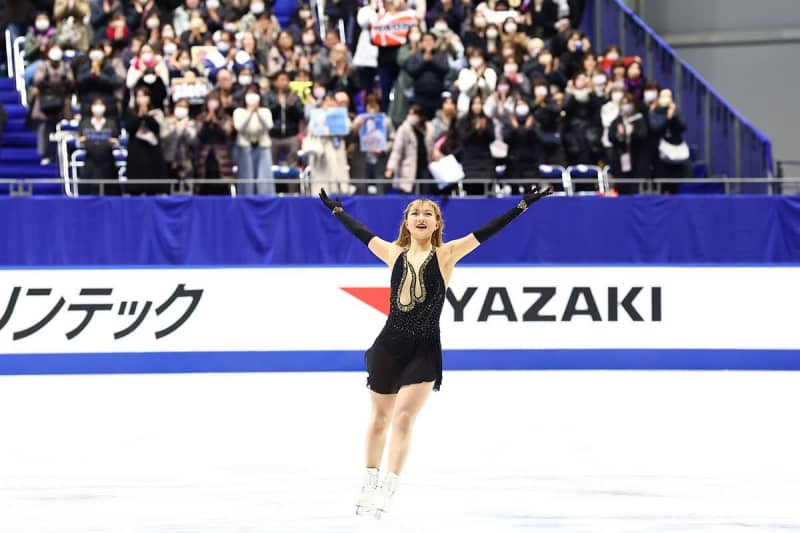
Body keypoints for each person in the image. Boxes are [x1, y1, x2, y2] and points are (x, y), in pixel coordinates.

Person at [316, 184, 552, 518]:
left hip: (424, 350)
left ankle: (388, 488)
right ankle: (369, 482)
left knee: (404, 417)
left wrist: (523, 205)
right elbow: (361, 233)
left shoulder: (447, 254)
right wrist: (338, 211)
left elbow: (486, 231)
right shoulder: (392, 253)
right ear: (406, 222)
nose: (422, 217)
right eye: (415, 213)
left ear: (438, 223)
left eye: (429, 213)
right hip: (389, 345)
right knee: (380, 418)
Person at [31, 43, 74, 166]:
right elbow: (37, 80)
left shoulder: (66, 66)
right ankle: (44, 154)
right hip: (45, 102)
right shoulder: (43, 65)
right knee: (44, 129)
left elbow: (71, 82)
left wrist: (62, 80)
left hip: (62, 104)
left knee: (62, 129)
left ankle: (64, 155)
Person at [125, 85, 168, 194]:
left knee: (152, 184)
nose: (142, 99)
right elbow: (130, 128)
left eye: (144, 96)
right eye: (139, 96)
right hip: (136, 151)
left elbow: (156, 128)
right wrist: (139, 115)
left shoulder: (157, 112)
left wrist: (147, 116)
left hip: (151, 151)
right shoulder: (130, 112)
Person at [233, 84, 274, 196]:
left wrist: (258, 113)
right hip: (245, 147)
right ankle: (245, 201)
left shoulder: (265, 111)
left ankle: (266, 200)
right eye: (249, 94)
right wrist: (250, 112)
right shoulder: (239, 111)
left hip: (263, 146)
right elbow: (239, 127)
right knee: (246, 178)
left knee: (264, 178)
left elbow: (269, 126)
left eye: (254, 93)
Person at [385, 104, 434, 194]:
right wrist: (390, 168)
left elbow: (432, 147)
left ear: (421, 116)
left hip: (425, 166)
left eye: (414, 114)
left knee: (425, 194)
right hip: (409, 167)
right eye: (410, 114)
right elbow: (397, 150)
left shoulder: (429, 128)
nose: (411, 117)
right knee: (408, 194)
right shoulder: (404, 129)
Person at [77, 97, 120, 195]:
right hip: (90, 159)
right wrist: (81, 140)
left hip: (107, 160)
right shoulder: (85, 123)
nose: (98, 107)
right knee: (88, 188)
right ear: (91, 107)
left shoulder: (111, 123)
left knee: (110, 188)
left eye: (101, 105)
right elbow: (79, 140)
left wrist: (113, 141)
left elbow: (117, 140)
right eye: (96, 105)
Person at [196, 91, 236, 195]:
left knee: (222, 186)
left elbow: (226, 134)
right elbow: (199, 135)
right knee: (204, 187)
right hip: (205, 156)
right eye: (210, 101)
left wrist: (215, 122)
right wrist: (207, 121)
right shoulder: (201, 117)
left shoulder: (226, 117)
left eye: (215, 100)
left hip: (222, 155)